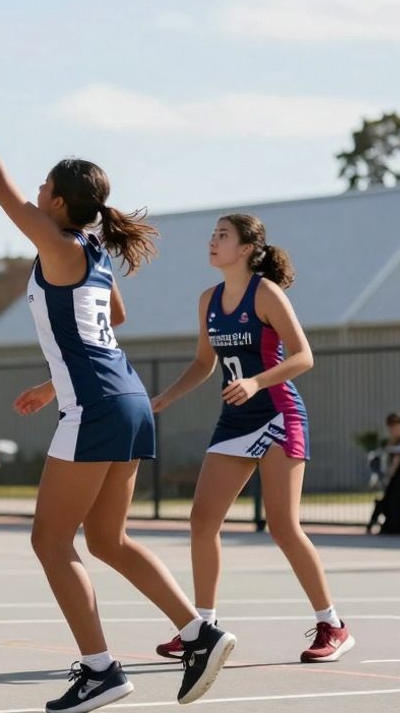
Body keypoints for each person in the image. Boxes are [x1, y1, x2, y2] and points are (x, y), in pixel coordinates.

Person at [0, 50, 234, 710]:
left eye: (43, 191)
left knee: (49, 540)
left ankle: (102, 669)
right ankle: (198, 630)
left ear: (58, 203)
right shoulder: (93, 255)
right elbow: (111, 318)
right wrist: (55, 381)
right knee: (105, 539)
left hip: (99, 404)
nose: (34, 196)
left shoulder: (61, 245)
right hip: (123, 396)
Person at [151, 213, 353, 664]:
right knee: (202, 521)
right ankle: (201, 627)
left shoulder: (266, 293)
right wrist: (164, 398)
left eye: (223, 235)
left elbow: (304, 356)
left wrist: (258, 382)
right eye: (213, 234)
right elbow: (204, 363)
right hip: (235, 419)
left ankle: (333, 624)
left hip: (279, 412)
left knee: (283, 525)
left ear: (245, 248)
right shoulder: (208, 300)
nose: (213, 241)